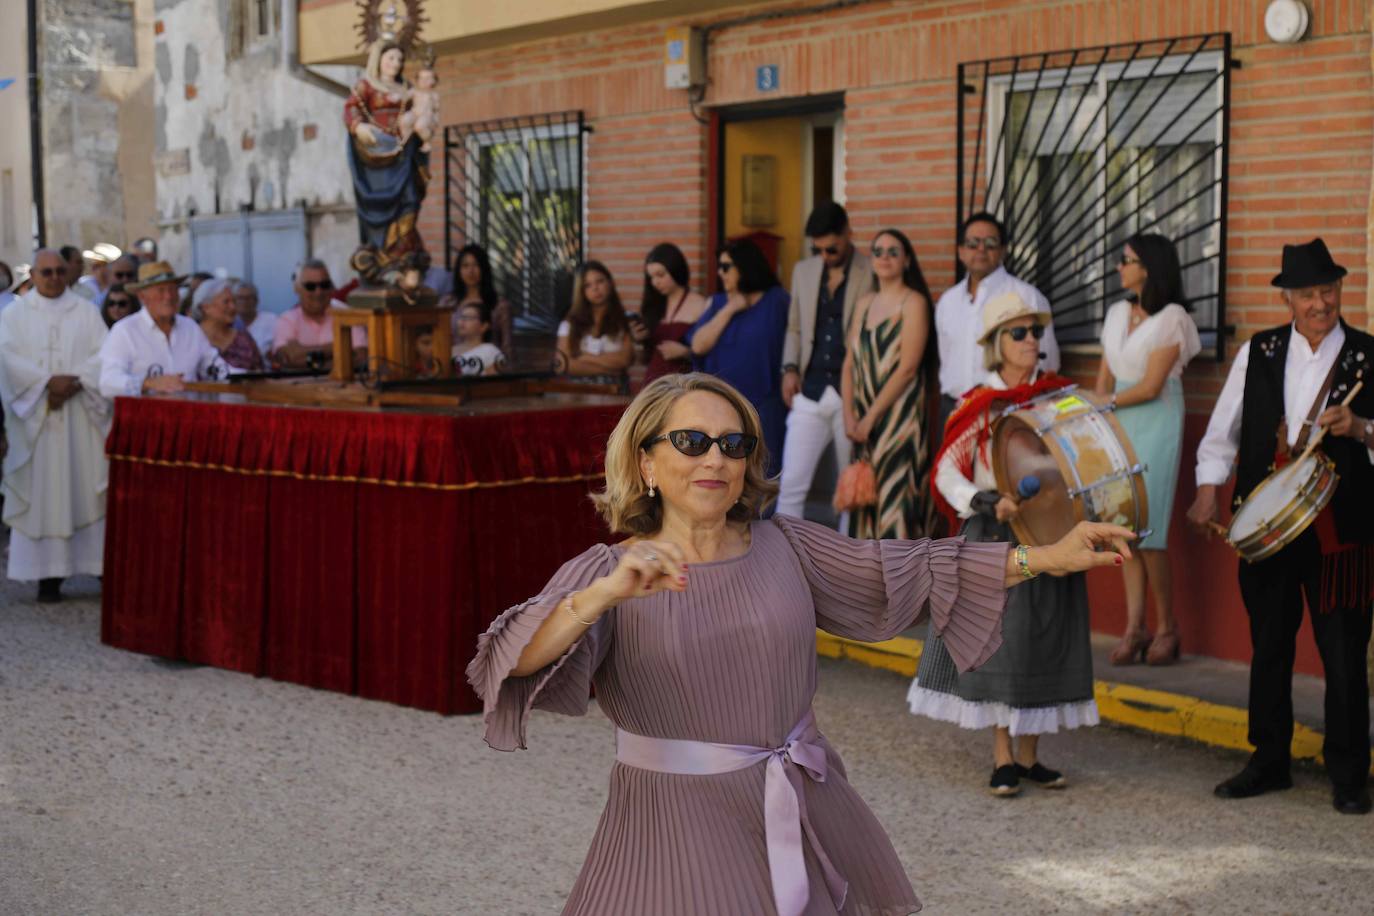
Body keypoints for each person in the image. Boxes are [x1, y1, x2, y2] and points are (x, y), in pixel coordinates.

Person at [466, 371, 1133, 916]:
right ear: (645, 460)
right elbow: (512, 657)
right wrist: (601, 597)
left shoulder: (788, 545)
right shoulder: (606, 572)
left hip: (799, 798)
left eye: (734, 445)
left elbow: (913, 566)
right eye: (693, 441)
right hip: (675, 825)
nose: (716, 460)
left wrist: (1044, 557)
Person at [1188, 238, 1374, 817]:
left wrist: (1363, 429)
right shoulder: (1259, 351)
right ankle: (1268, 760)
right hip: (1267, 526)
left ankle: (1349, 773)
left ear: (1340, 290)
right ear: (1288, 299)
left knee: (1343, 652)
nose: (1321, 303)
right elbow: (1224, 431)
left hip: (1340, 531)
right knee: (1269, 645)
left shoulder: (1370, 354)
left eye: (1328, 290)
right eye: (1308, 294)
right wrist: (1205, 492)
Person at [909, 292, 1096, 795]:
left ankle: (1032, 756)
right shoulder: (979, 405)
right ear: (996, 344)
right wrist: (987, 500)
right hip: (996, 534)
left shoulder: (1059, 400)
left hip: (1055, 532)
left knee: (1048, 638)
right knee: (1002, 640)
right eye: (1019, 332)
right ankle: (1001, 756)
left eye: (1036, 331)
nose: (1032, 340)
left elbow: (1087, 459)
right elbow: (946, 472)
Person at [1095, 233, 1202, 665]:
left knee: (1151, 529)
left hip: (1156, 418)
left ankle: (1167, 628)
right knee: (1124, 529)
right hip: (1118, 420)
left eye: (1127, 259)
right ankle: (1134, 627)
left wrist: (1107, 401)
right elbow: (1105, 377)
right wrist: (1100, 414)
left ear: (1150, 267)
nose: (1119, 266)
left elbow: (1153, 385)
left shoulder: (1173, 317)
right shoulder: (1117, 312)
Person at [0, 249, 112, 603]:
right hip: (38, 421)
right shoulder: (15, 314)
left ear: (68, 273)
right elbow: (6, 358)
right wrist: (46, 383)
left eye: (59, 271)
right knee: (42, 494)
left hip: (81, 414)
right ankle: (47, 577)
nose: (52, 278)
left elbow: (104, 355)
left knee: (84, 487)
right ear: (32, 274)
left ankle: (97, 567)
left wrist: (75, 382)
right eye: (45, 272)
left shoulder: (87, 311)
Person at [777, 202, 875, 519]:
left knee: (850, 487)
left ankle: (849, 563)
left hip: (853, 393)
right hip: (810, 389)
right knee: (791, 483)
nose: (825, 256)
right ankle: (785, 558)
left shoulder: (872, 270)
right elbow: (794, 326)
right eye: (818, 249)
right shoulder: (804, 272)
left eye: (831, 248)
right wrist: (789, 368)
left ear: (848, 233)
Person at [842, 228, 937, 540]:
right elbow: (849, 363)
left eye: (893, 251)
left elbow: (908, 368)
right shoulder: (864, 303)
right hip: (863, 420)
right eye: (878, 251)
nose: (884, 257)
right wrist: (849, 417)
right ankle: (868, 585)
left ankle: (901, 584)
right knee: (866, 500)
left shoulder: (914, 302)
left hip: (899, 419)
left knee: (897, 499)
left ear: (907, 260)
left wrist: (870, 419)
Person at [935, 211, 1061, 434]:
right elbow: (946, 357)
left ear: (1003, 250)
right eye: (973, 243)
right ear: (961, 252)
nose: (981, 249)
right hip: (953, 408)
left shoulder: (1026, 297)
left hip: (1005, 410)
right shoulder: (947, 301)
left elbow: (1047, 361)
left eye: (990, 242)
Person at [685, 239, 790, 476]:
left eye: (726, 267)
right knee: (724, 466)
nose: (721, 273)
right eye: (719, 267)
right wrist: (730, 309)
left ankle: (765, 516)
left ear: (745, 266)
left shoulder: (776, 300)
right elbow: (698, 345)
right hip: (723, 402)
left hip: (766, 403)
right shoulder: (719, 303)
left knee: (766, 468)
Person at [344, 41, 428, 268]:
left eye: (399, 59)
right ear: (378, 59)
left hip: (403, 151)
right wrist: (359, 127)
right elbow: (351, 108)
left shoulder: (406, 88)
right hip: (376, 158)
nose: (396, 63)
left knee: (410, 198)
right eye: (391, 58)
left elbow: (420, 110)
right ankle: (381, 252)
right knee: (381, 206)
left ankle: (401, 249)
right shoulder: (367, 86)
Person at [98, 260, 231, 396]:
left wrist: (247, 377)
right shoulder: (125, 330)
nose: (168, 296)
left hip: (187, 414)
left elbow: (215, 366)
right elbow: (108, 382)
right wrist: (149, 383)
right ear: (142, 296)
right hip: (143, 415)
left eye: (173, 289)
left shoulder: (190, 327)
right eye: (160, 290)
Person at [632, 242, 710, 386]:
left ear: (675, 269)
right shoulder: (653, 306)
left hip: (684, 384)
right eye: (651, 277)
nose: (655, 282)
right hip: (653, 382)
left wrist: (686, 353)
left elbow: (712, 353)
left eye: (660, 275)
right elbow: (644, 357)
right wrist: (640, 340)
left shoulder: (700, 304)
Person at [271, 260, 366, 371]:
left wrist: (307, 359)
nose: (318, 292)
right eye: (310, 286)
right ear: (296, 288)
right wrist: (341, 346)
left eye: (324, 285)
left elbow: (361, 357)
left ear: (331, 287)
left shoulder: (348, 316)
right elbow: (289, 359)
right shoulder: (286, 320)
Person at [557, 261, 634, 380]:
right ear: (581, 291)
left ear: (610, 282)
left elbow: (624, 360)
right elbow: (563, 364)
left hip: (615, 391)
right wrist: (607, 368)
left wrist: (584, 357)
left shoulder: (625, 320)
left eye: (600, 281)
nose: (595, 289)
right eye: (587, 285)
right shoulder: (569, 324)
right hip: (578, 393)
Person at [448, 243, 511, 356]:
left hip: (489, 367)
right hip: (454, 366)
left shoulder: (499, 305)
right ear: (459, 270)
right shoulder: (448, 303)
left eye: (476, 265)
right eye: (465, 266)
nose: (470, 271)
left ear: (484, 268)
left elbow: (507, 347)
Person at [194, 279, 265, 371]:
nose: (233, 307)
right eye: (226, 302)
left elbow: (260, 376)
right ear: (206, 307)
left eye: (234, 301)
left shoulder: (244, 339)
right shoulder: (192, 338)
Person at [452, 303, 504, 376]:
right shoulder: (451, 350)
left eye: (469, 318)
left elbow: (495, 384)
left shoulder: (490, 351)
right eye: (462, 317)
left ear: (484, 326)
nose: (462, 321)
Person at [232, 281, 276, 358]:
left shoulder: (271, 320)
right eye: (240, 298)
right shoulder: (228, 322)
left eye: (248, 298)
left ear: (256, 301)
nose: (244, 302)